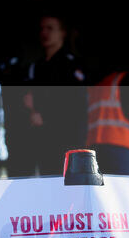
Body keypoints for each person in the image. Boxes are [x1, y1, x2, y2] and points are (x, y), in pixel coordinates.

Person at [8, 14, 87, 176]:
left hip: (65, 139)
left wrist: (46, 116)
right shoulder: (37, 66)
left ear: (62, 33)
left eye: (50, 28)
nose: (45, 33)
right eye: (42, 29)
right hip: (38, 140)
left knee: (62, 188)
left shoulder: (71, 65)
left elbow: (75, 104)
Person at [86, 70, 129, 175]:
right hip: (118, 147)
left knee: (100, 187)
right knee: (121, 187)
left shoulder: (96, 86)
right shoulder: (123, 79)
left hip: (94, 148)